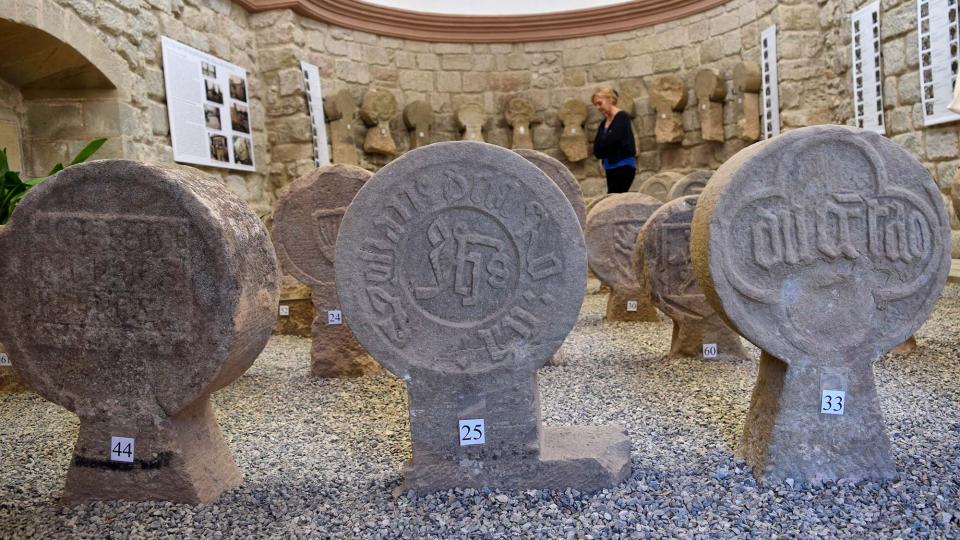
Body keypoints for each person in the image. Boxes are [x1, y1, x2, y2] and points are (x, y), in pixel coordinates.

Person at [591, 86, 637, 193]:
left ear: (610, 99)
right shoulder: (604, 123)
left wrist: (604, 145)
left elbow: (612, 142)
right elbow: (597, 150)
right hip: (610, 168)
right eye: (595, 105)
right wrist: (604, 146)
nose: (598, 107)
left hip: (623, 166)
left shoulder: (622, 117)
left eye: (599, 103)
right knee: (613, 198)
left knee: (613, 199)